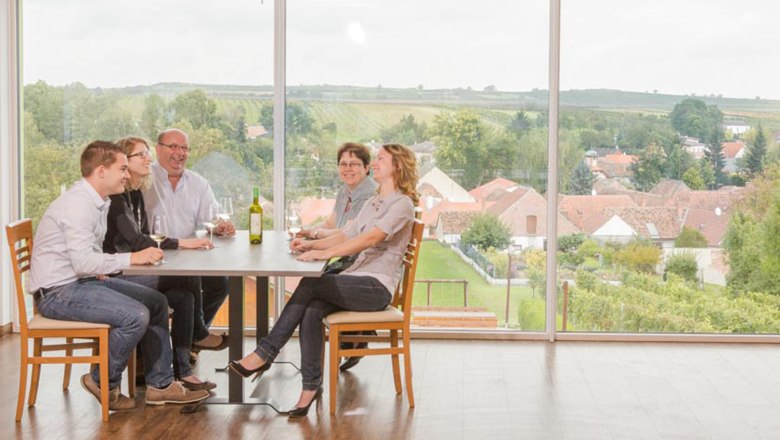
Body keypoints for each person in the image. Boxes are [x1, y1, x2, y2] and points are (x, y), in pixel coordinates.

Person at [229, 144, 419, 418]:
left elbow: (370, 238)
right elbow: (345, 234)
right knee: (312, 309)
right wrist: (311, 245)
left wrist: (324, 253)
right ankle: (310, 388)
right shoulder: (374, 202)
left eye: (380, 159)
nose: (375, 163)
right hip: (356, 279)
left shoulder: (402, 204)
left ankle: (265, 353)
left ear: (397, 166)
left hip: (376, 288)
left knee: (312, 283)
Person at [28, 140, 210, 410]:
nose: (127, 175)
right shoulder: (78, 205)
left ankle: (160, 386)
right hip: (57, 293)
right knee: (135, 316)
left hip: (82, 281)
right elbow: (82, 261)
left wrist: (102, 269)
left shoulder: (98, 201)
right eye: (122, 169)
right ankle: (102, 381)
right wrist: (131, 259)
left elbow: (88, 253)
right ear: (101, 171)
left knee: (156, 302)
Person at [103, 136, 216, 391]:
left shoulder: (134, 194)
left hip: (133, 268)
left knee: (185, 297)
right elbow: (137, 240)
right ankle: (199, 334)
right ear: (124, 162)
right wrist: (184, 243)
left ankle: (183, 371)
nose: (148, 159)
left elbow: (145, 236)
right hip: (116, 274)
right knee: (186, 276)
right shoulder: (117, 199)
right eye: (141, 154)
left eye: (147, 153)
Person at [142, 128, 233, 352]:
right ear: (158, 149)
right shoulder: (143, 181)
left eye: (184, 148)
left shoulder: (198, 183)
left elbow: (211, 217)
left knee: (220, 284)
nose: (179, 153)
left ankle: (192, 337)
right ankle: (197, 336)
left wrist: (221, 226)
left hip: (187, 255)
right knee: (189, 279)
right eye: (173, 146)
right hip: (154, 257)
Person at [296, 142, 378, 371]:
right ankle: (355, 337)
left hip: (359, 262)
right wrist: (308, 231)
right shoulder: (346, 190)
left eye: (354, 164)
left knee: (313, 287)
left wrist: (314, 237)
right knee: (313, 286)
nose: (348, 169)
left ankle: (354, 335)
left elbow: (346, 233)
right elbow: (332, 223)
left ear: (367, 168)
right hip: (346, 256)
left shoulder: (369, 194)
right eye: (343, 164)